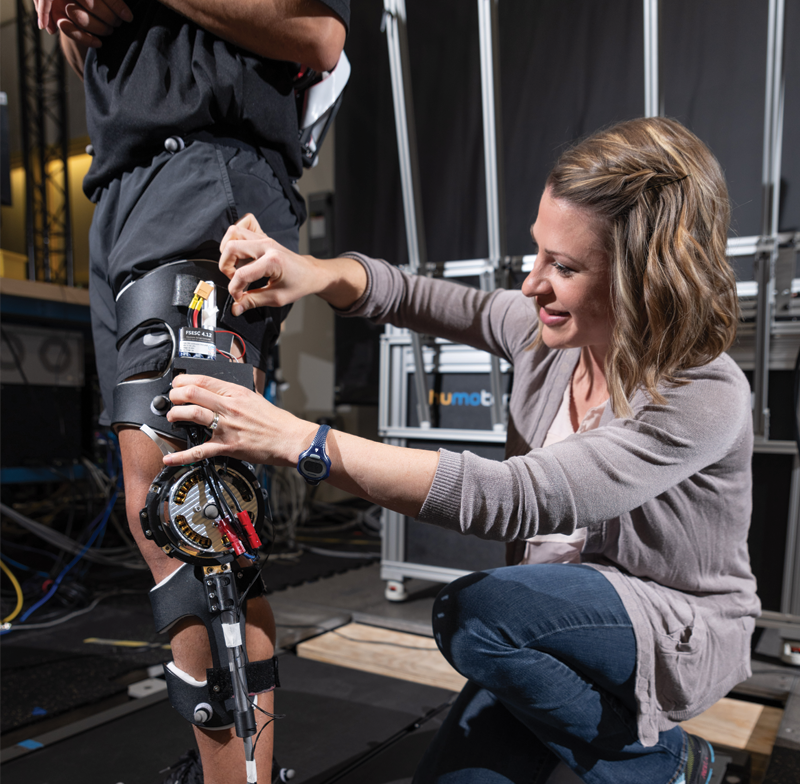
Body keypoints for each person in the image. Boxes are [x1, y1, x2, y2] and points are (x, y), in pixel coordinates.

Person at [162, 117, 760, 784]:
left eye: (562, 267)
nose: (533, 284)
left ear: (645, 280)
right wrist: (313, 273)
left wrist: (298, 439)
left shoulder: (703, 391)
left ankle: (671, 763)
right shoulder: (545, 336)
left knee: (475, 614)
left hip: (664, 629)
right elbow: (419, 296)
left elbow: (518, 498)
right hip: (549, 633)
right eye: (538, 253)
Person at [29, 0, 350, 781]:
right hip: (124, 189)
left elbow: (316, 33)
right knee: (166, 518)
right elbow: (93, 49)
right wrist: (66, 5)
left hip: (206, 169)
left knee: (194, 516)